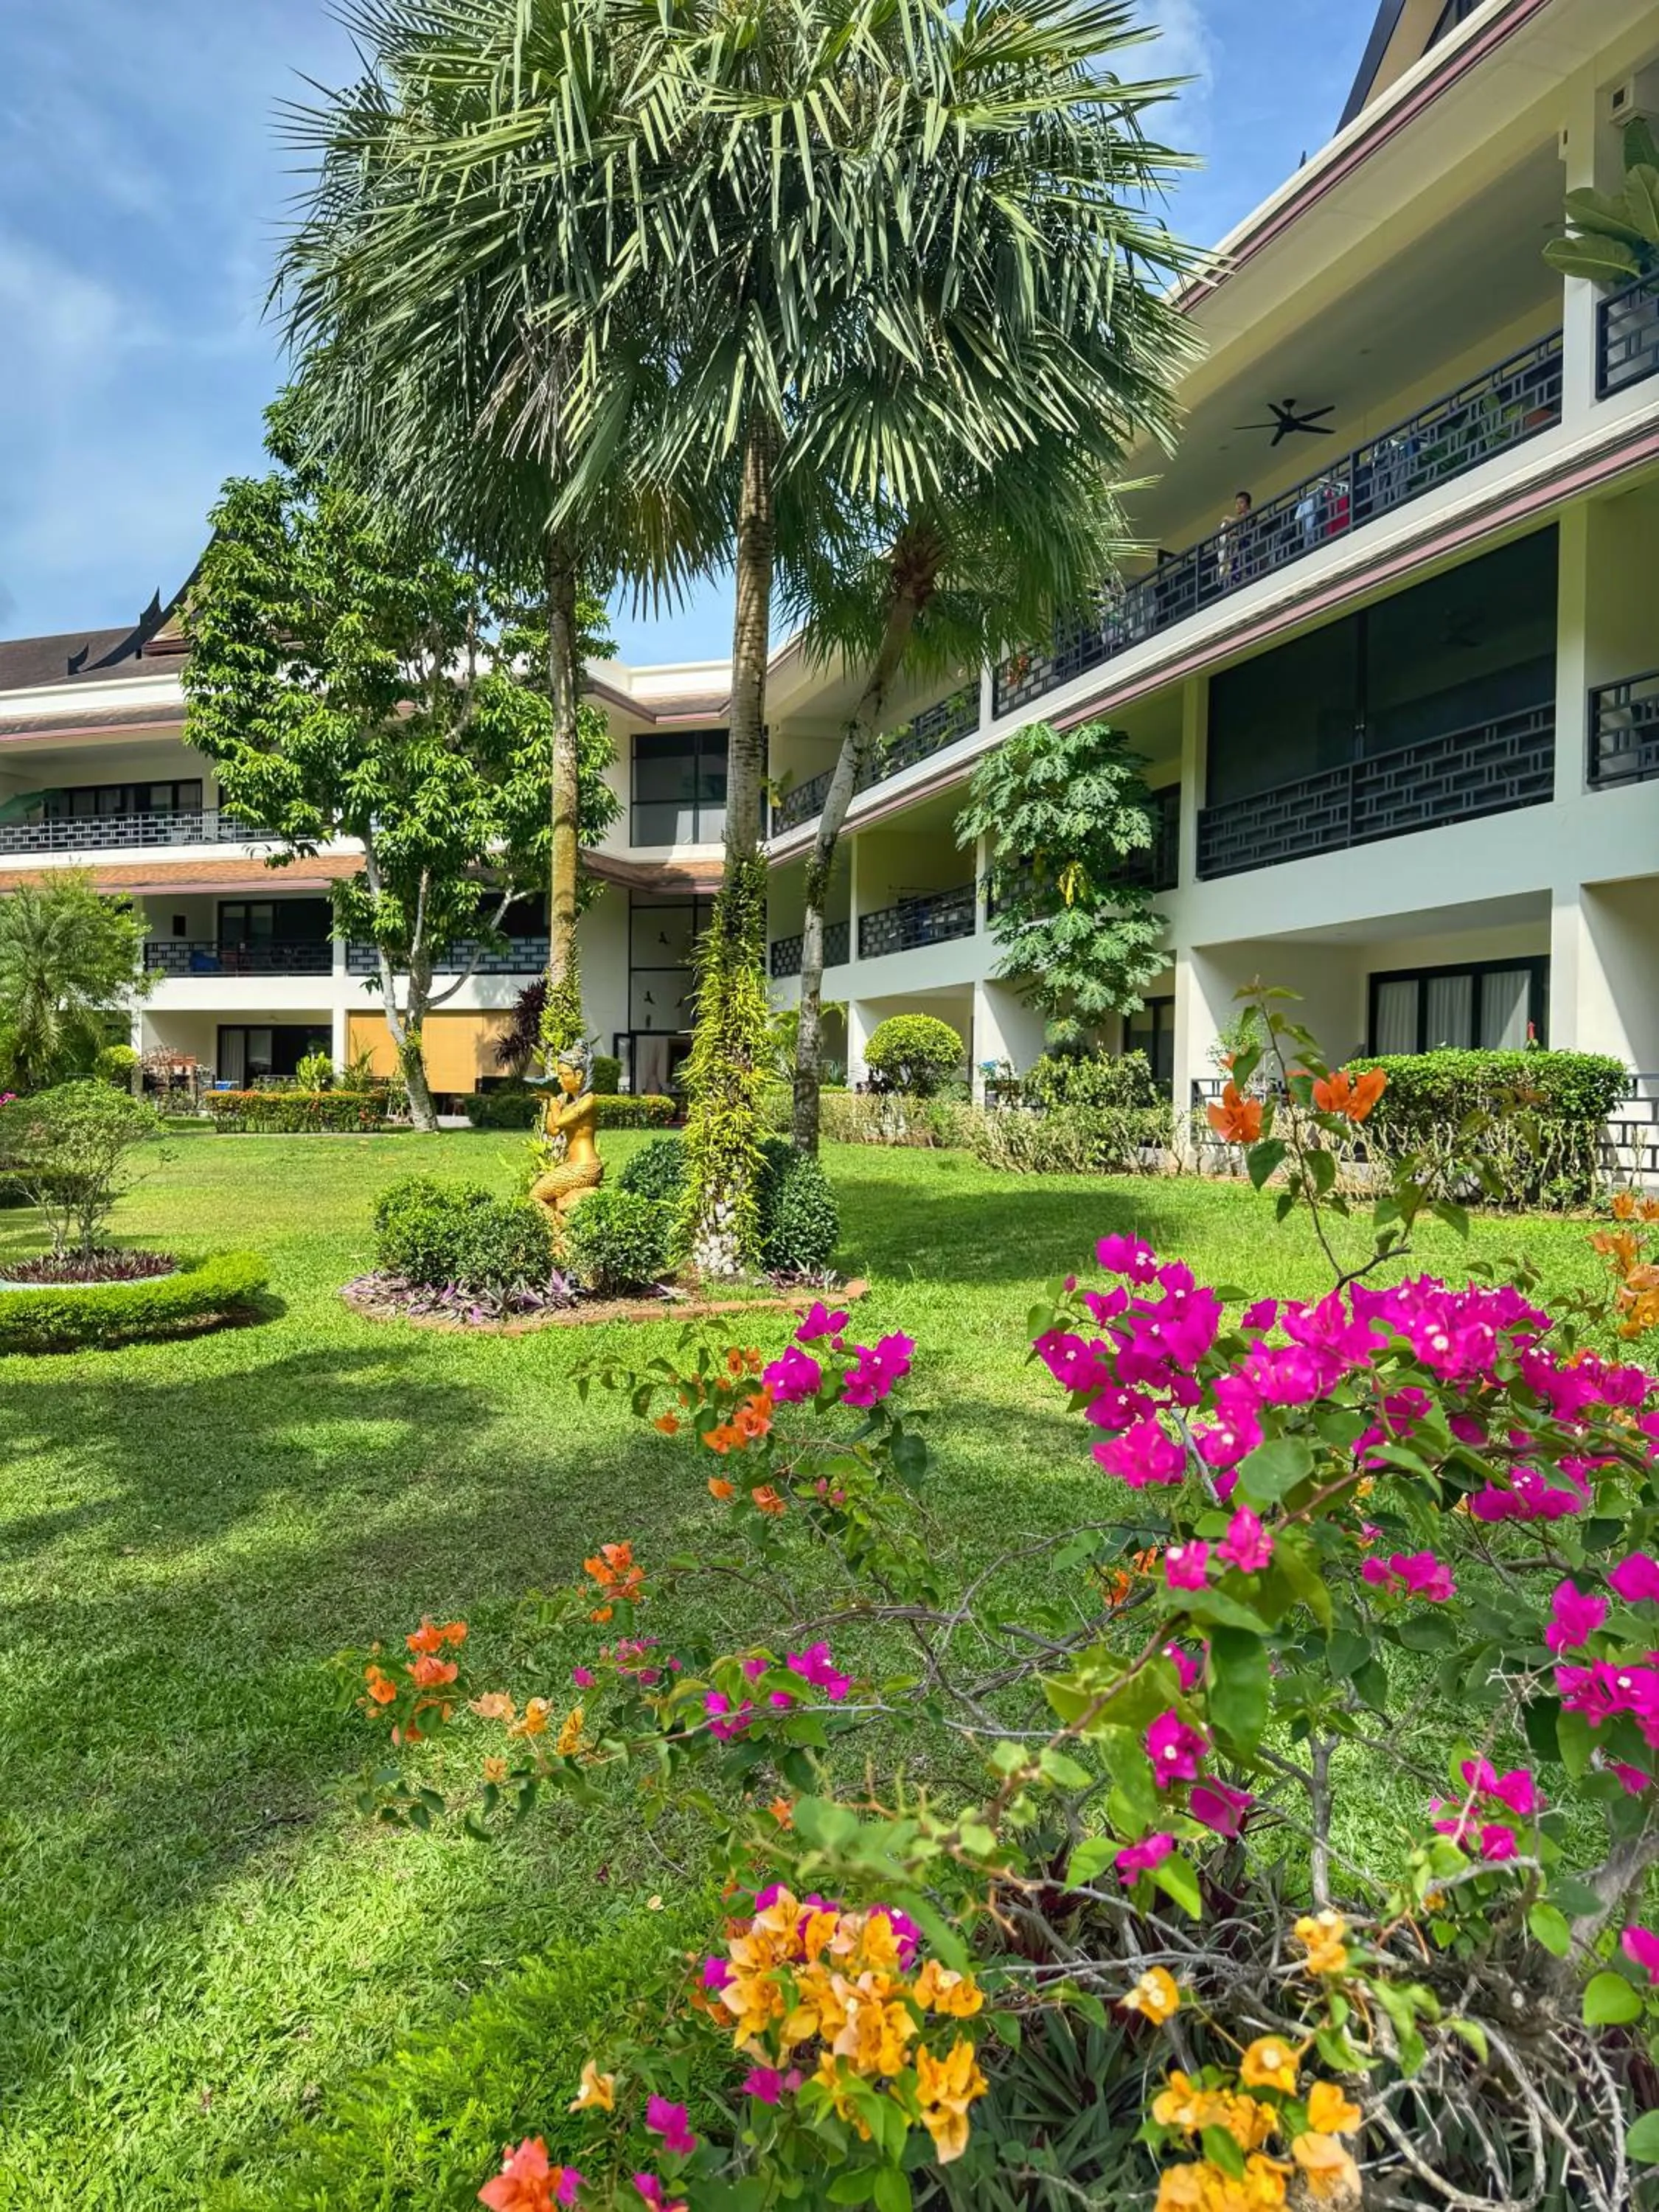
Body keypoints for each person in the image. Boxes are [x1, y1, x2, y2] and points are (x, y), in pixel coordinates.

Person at [1217, 490, 1253, 589]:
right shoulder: (1238, 521)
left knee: (1243, 572)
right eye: (1237, 503)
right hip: (1236, 553)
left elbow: (1245, 525)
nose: (1238, 506)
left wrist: (1229, 519)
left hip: (1245, 550)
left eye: (1241, 503)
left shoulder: (1250, 515)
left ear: (1248, 504)